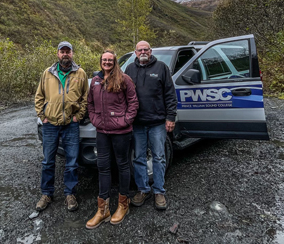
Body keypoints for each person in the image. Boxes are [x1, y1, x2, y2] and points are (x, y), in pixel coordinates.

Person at [86, 50, 139, 229]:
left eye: (110, 60)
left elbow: (133, 102)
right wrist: (94, 119)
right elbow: (90, 103)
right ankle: (103, 209)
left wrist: (125, 120)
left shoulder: (124, 79)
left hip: (121, 132)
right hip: (102, 131)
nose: (107, 62)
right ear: (100, 62)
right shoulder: (95, 81)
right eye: (104, 60)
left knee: (123, 165)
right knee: (103, 167)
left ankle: (123, 204)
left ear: (115, 62)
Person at [34, 41, 88, 212]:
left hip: (70, 125)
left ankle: (70, 194)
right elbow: (39, 97)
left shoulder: (80, 73)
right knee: (48, 161)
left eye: (68, 51)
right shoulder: (47, 73)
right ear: (57, 54)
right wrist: (43, 116)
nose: (65, 54)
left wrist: (78, 116)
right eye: (62, 51)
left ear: (72, 54)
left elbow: (85, 99)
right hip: (51, 124)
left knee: (72, 162)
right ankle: (46, 194)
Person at [125, 41, 177, 210]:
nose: (143, 52)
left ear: (150, 51)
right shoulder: (129, 70)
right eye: (140, 50)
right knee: (139, 158)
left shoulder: (161, 68)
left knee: (159, 157)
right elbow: (123, 96)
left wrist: (171, 117)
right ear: (135, 52)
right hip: (137, 124)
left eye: (145, 49)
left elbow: (170, 94)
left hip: (157, 123)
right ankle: (142, 190)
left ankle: (159, 192)